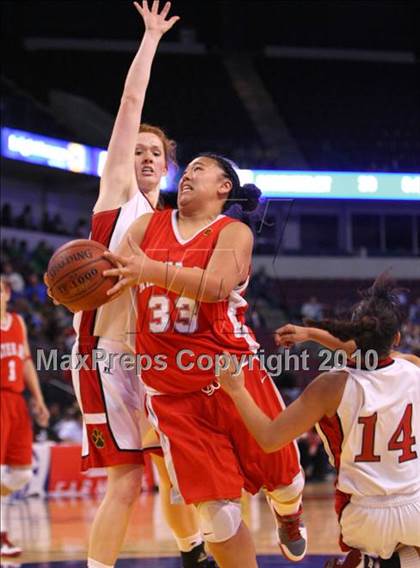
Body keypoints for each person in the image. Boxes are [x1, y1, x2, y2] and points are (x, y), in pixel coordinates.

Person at [54, 3, 215, 568]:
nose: (145, 157)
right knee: (125, 480)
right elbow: (129, 107)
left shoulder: (164, 221)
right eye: (138, 151)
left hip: (148, 357)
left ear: (167, 169)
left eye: (155, 153)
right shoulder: (116, 198)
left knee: (172, 466)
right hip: (105, 356)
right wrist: (150, 39)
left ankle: (191, 550)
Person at [103, 153, 307, 567]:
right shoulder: (146, 226)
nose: (187, 176)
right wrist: (74, 287)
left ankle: (289, 514)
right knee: (216, 518)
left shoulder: (234, 232)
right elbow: (111, 276)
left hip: (234, 375)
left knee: (286, 481)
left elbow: (215, 287)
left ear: (223, 187)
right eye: (186, 170)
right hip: (172, 394)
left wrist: (150, 269)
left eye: (199, 169)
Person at [217, 275, 420, 568]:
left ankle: (367, 563)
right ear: (397, 339)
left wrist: (237, 390)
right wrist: (311, 333)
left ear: (351, 331)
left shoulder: (330, 387)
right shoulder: (413, 368)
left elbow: (270, 438)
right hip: (415, 507)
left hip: (365, 516)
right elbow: (372, 350)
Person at [0, 277, 50, 556]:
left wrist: (38, 399)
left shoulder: (18, 323)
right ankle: (1, 535)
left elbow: (26, 360)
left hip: (16, 402)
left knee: (21, 472)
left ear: (6, 293)